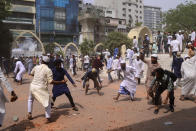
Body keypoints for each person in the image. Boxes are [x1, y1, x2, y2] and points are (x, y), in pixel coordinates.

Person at [27, 56, 66, 122]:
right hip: (41, 87)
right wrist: (61, 82)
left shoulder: (36, 67)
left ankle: (29, 113)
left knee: (30, 99)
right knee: (48, 102)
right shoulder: (48, 70)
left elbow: (31, 74)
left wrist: (38, 76)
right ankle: (48, 117)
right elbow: (51, 82)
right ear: (48, 63)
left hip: (32, 86)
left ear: (42, 61)